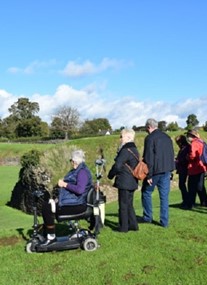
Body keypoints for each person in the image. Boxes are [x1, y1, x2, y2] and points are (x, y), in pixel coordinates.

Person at [40, 149, 93, 246]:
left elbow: (80, 190)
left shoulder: (82, 173)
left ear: (74, 161)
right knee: (47, 204)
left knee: (47, 208)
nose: (71, 163)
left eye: (71, 161)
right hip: (72, 201)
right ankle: (46, 233)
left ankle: (50, 237)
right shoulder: (78, 170)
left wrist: (65, 184)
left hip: (78, 204)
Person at [141, 118, 175, 227]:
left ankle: (147, 217)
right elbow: (171, 154)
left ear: (148, 127)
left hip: (155, 171)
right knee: (164, 197)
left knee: (146, 192)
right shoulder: (167, 137)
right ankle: (164, 221)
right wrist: (171, 170)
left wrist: (149, 175)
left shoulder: (149, 138)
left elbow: (148, 157)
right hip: (166, 170)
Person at [107, 128, 139, 233]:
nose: (120, 138)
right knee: (129, 204)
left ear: (128, 137)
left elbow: (118, 165)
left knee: (123, 205)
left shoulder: (125, 150)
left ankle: (123, 227)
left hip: (125, 180)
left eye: (122, 136)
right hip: (132, 180)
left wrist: (110, 175)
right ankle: (133, 225)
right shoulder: (134, 149)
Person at [186, 129, 207, 208]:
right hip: (202, 166)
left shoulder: (194, 143)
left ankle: (191, 203)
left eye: (188, 135)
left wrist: (188, 157)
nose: (187, 137)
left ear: (191, 136)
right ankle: (204, 201)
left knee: (191, 186)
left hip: (194, 167)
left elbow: (193, 156)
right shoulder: (201, 142)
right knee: (200, 186)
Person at [175, 135, 190, 208]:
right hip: (182, 168)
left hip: (184, 168)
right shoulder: (184, 148)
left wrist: (177, 161)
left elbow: (186, 159)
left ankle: (186, 201)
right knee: (182, 185)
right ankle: (186, 200)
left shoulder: (185, 148)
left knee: (182, 185)